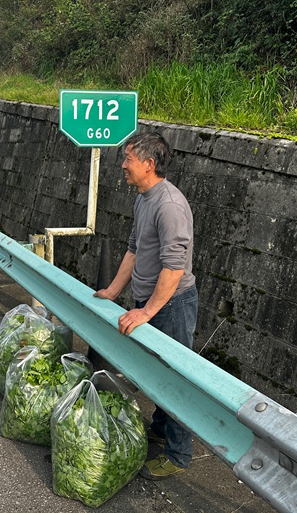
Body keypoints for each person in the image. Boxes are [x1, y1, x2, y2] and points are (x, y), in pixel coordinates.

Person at [93, 131, 198, 480]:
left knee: (177, 379)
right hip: (149, 302)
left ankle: (179, 454)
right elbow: (134, 249)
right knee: (156, 372)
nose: (122, 165)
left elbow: (174, 267)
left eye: (128, 159)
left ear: (149, 164)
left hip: (172, 304)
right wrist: (112, 291)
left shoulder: (169, 205)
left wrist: (147, 311)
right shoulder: (143, 198)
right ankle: (160, 426)